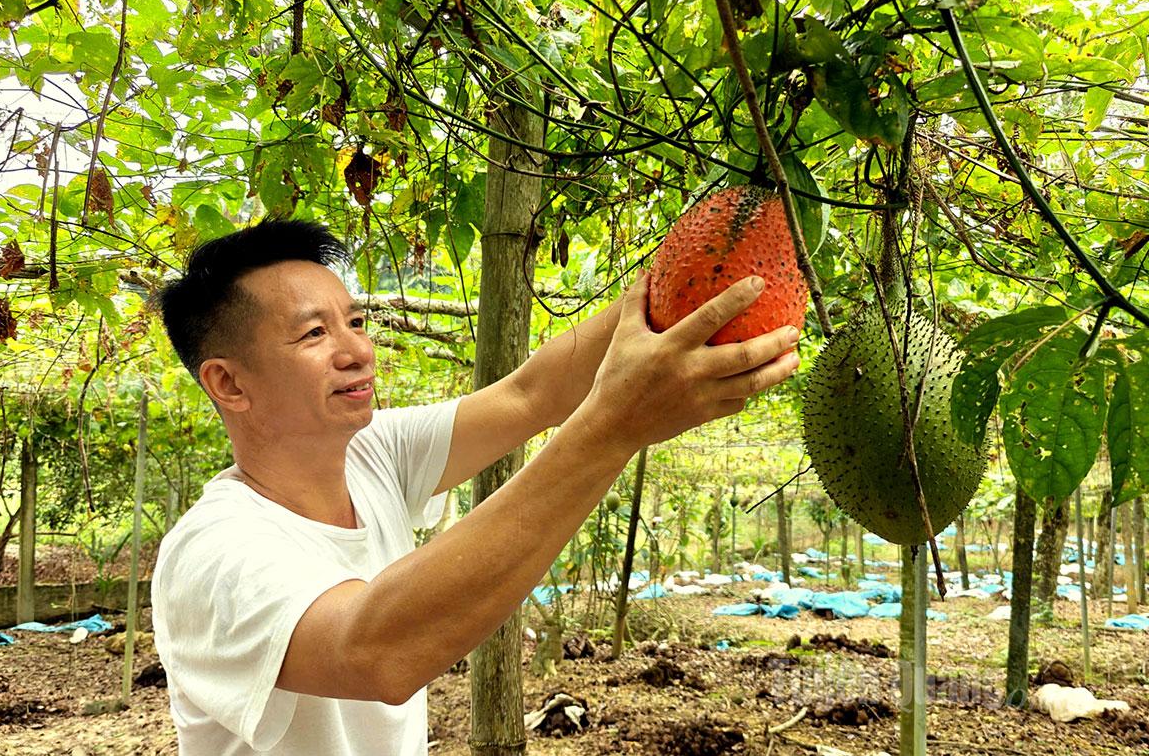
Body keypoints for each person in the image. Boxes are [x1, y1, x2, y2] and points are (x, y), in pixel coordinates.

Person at [150, 218, 800, 754]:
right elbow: (375, 649)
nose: (357, 350)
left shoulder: (372, 452)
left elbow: (533, 392)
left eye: (354, 321)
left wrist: (697, 267)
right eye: (315, 332)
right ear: (228, 383)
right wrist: (612, 427)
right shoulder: (210, 553)